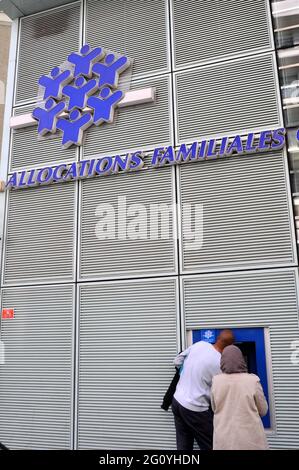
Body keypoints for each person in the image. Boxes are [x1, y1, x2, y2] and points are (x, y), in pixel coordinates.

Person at [172, 330, 235, 450]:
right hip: (195, 408)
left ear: (217, 339)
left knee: (183, 445)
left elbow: (177, 361)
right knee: (211, 445)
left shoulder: (200, 344)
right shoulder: (221, 363)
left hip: (177, 400)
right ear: (230, 347)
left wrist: (189, 370)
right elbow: (220, 393)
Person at [211, 344, 268, 450]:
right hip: (251, 441)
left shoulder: (216, 381)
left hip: (224, 442)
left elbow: (214, 408)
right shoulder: (252, 380)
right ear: (241, 360)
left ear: (222, 361)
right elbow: (263, 410)